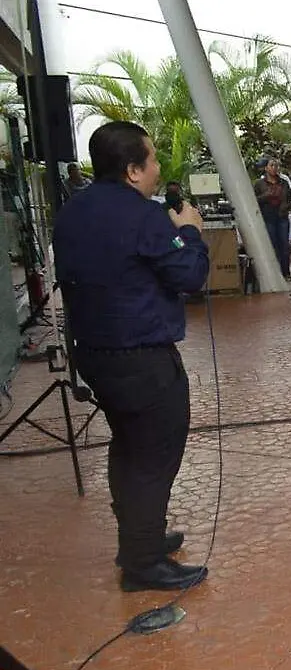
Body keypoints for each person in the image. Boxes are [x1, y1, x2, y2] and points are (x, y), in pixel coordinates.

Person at [54, 121, 210, 591]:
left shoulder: (73, 210)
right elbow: (188, 274)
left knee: (127, 447)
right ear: (132, 170)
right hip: (140, 355)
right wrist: (191, 233)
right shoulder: (141, 215)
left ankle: (139, 541)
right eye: (154, 159)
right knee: (154, 456)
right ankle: (143, 564)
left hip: (96, 353)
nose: (159, 168)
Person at [253, 157, 291, 280]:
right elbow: (254, 200)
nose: (275, 168)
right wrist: (266, 196)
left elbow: (290, 200)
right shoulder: (259, 184)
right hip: (268, 217)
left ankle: (286, 273)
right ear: (266, 168)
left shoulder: (284, 182)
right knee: (273, 244)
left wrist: (285, 207)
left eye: (276, 166)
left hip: (282, 217)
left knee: (284, 244)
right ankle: (274, 274)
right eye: (272, 165)